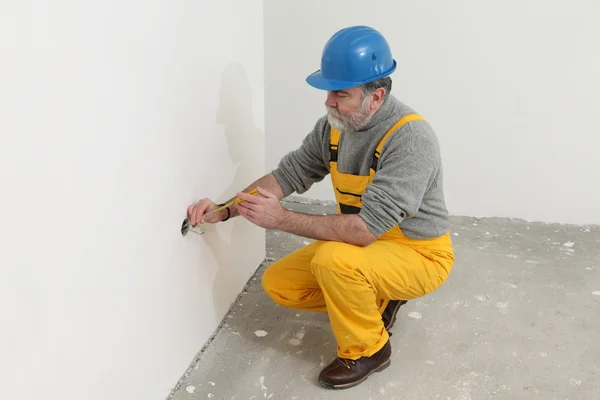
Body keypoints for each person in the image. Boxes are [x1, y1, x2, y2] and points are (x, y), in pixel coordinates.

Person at [186, 25, 454, 389]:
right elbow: (287, 175)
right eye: (328, 91)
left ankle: (369, 349)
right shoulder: (334, 128)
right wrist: (226, 208)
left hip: (419, 253)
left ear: (375, 97)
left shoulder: (410, 139)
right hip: (371, 246)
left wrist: (280, 220)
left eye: (340, 93)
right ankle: (377, 300)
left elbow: (363, 231)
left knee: (333, 262)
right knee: (279, 283)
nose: (328, 101)